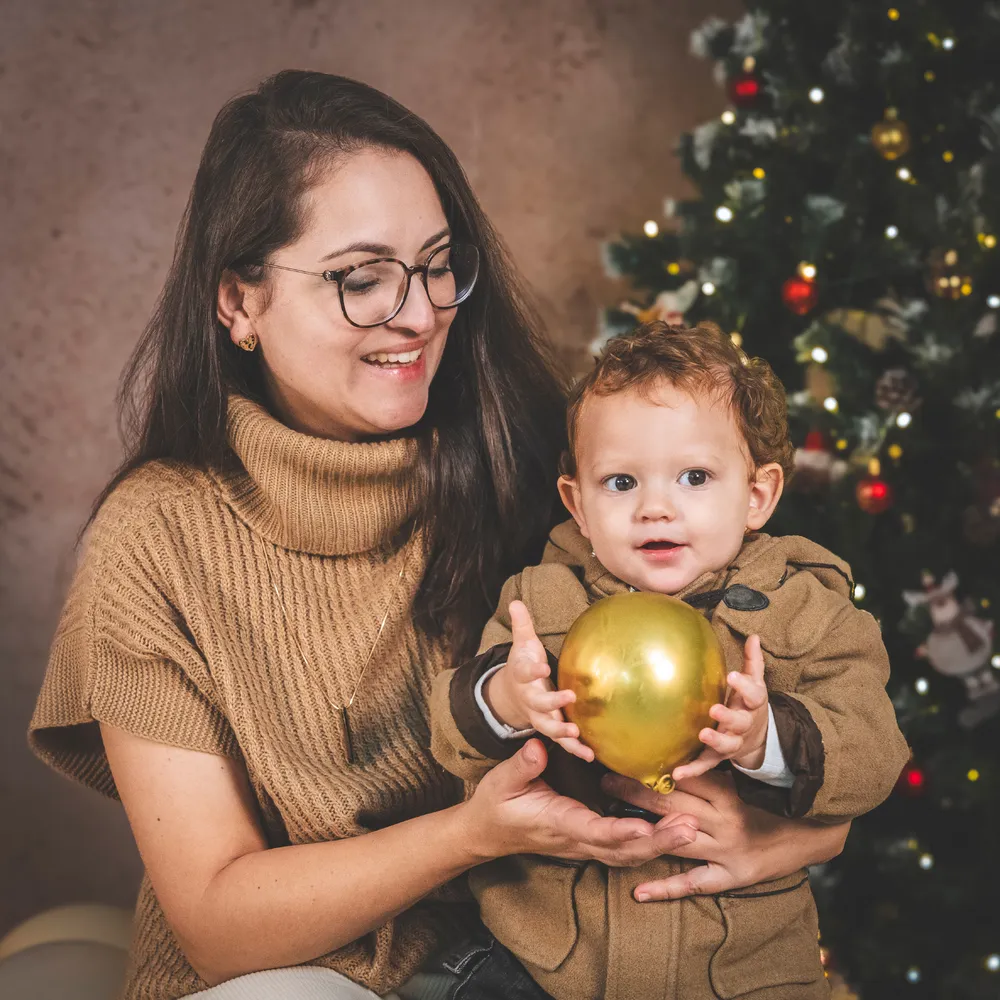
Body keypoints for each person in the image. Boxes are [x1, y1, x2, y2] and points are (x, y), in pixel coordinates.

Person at [28, 72, 851, 1000]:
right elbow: (218, 926)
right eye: (362, 278)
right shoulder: (156, 540)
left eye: (435, 264)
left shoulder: (562, 468)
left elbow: (817, 717)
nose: (419, 314)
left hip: (547, 962)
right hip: (295, 973)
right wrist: (474, 834)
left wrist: (774, 837)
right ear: (238, 303)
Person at [431, 321, 911, 1000]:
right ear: (579, 504)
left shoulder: (806, 606)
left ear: (756, 495)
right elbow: (451, 735)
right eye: (621, 481)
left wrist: (765, 738)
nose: (656, 508)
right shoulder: (541, 598)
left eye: (694, 477)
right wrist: (507, 698)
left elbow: (875, 747)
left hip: (741, 969)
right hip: (548, 964)